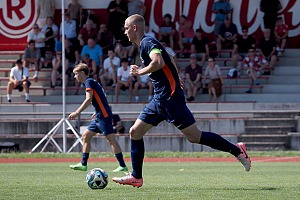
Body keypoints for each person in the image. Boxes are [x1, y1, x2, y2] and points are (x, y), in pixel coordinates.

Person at [112, 14, 251, 188]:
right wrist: (177, 76)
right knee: (135, 132)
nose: (124, 31)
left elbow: (159, 61)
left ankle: (238, 150)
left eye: (126, 28)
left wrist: (140, 72)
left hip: (170, 99)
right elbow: (169, 58)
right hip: (159, 99)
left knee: (195, 137)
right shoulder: (145, 44)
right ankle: (136, 176)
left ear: (134, 28)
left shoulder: (147, 42)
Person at [69, 63, 128, 173]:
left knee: (111, 140)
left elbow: (88, 99)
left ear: (82, 73)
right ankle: (83, 164)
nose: (75, 76)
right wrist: (97, 112)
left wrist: (77, 112)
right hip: (99, 115)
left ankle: (122, 165)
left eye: (76, 74)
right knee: (86, 136)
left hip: (104, 116)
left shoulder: (89, 82)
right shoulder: (91, 82)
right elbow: (100, 98)